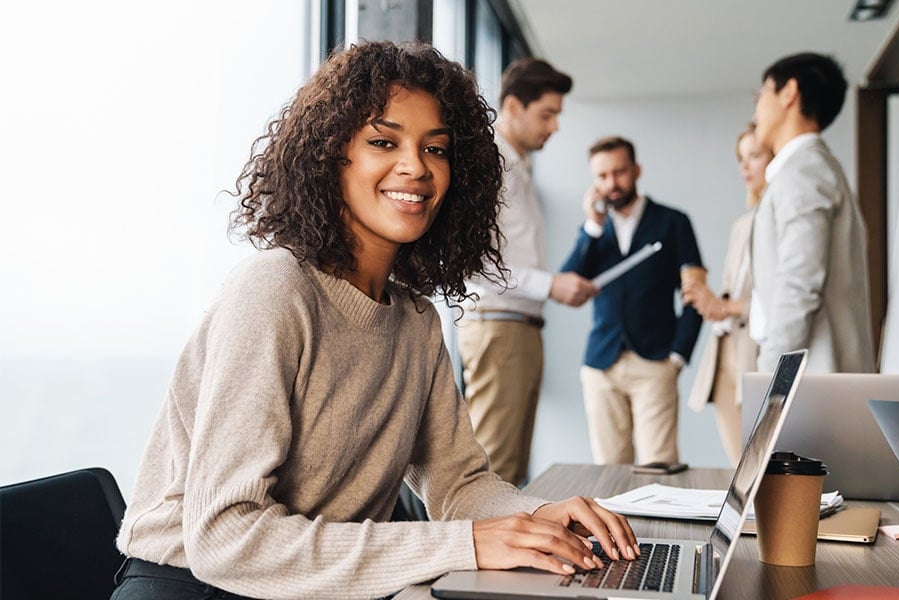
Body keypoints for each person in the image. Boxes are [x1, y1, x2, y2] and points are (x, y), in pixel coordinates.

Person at [110, 41, 638, 600]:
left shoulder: (415, 320)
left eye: (435, 149)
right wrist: (467, 544)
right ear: (331, 155)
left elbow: (458, 484)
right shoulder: (273, 290)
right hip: (197, 587)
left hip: (317, 585)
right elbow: (226, 537)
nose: (416, 166)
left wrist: (539, 516)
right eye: (383, 142)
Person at [459, 58, 597, 486]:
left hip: (518, 327)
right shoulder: (493, 165)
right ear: (514, 107)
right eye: (547, 114)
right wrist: (550, 284)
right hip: (500, 327)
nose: (554, 126)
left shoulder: (517, 166)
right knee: (494, 470)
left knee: (511, 471)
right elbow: (475, 263)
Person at [560, 136, 703, 467]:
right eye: (602, 176)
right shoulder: (595, 231)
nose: (612, 183)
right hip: (601, 364)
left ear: (636, 170)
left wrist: (678, 356)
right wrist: (591, 228)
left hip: (655, 361)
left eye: (619, 172)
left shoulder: (672, 222)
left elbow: (695, 294)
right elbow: (567, 285)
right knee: (608, 471)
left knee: (659, 467)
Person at [749, 52, 875, 373]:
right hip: (816, 375)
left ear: (789, 92)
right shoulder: (813, 169)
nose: (756, 110)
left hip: (810, 378)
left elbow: (800, 282)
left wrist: (769, 369)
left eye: (762, 94)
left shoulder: (804, 172)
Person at [683, 124, 772, 466]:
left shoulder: (780, 223)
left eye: (755, 156)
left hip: (757, 355)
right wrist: (709, 301)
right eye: (741, 159)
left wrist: (725, 306)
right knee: (740, 467)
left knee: (763, 467)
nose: (745, 167)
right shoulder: (742, 225)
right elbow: (732, 294)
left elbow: (782, 301)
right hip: (723, 358)